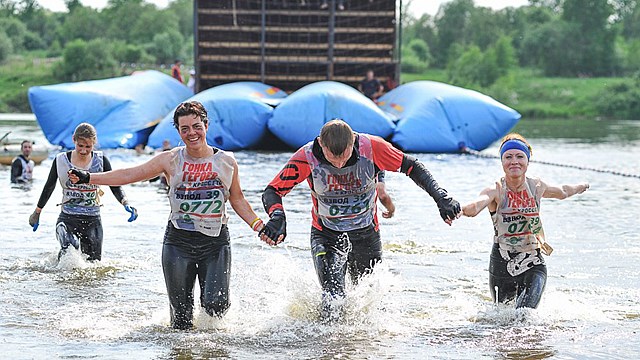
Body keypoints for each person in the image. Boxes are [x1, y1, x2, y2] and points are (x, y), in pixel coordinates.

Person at [68, 101, 266, 330]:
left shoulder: (226, 161)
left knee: (216, 306)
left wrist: (259, 226)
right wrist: (88, 177)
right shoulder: (170, 159)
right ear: (178, 131)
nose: (192, 133)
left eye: (196, 126)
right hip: (178, 242)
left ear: (206, 125)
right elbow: (130, 174)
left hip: (215, 243)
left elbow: (238, 198)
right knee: (181, 319)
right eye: (185, 129)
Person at [259, 119, 460, 320]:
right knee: (333, 298)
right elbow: (273, 190)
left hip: (366, 233)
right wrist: (278, 215)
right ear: (321, 144)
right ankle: (328, 348)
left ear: (352, 143)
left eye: (344, 157)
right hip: (326, 234)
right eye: (332, 158)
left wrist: (441, 197)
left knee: (369, 302)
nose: (338, 165)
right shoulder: (306, 157)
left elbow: (412, 167)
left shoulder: (372, 148)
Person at [461, 133, 590, 309]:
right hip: (502, 262)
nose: (514, 161)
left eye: (520, 156)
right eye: (508, 157)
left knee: (525, 316)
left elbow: (563, 191)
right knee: (501, 317)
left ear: (527, 161)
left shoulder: (536, 186)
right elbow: (476, 205)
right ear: (502, 162)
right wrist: (460, 210)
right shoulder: (496, 190)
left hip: (533, 261)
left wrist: (581, 186)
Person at [28, 123, 138, 261]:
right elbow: (49, 186)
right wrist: (37, 212)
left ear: (94, 143)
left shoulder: (101, 161)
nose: (84, 150)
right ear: (74, 139)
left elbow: (114, 184)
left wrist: (125, 202)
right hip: (68, 217)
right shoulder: (60, 160)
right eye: (80, 145)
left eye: (88, 146)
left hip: (92, 220)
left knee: (94, 265)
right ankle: (65, 238)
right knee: (67, 253)